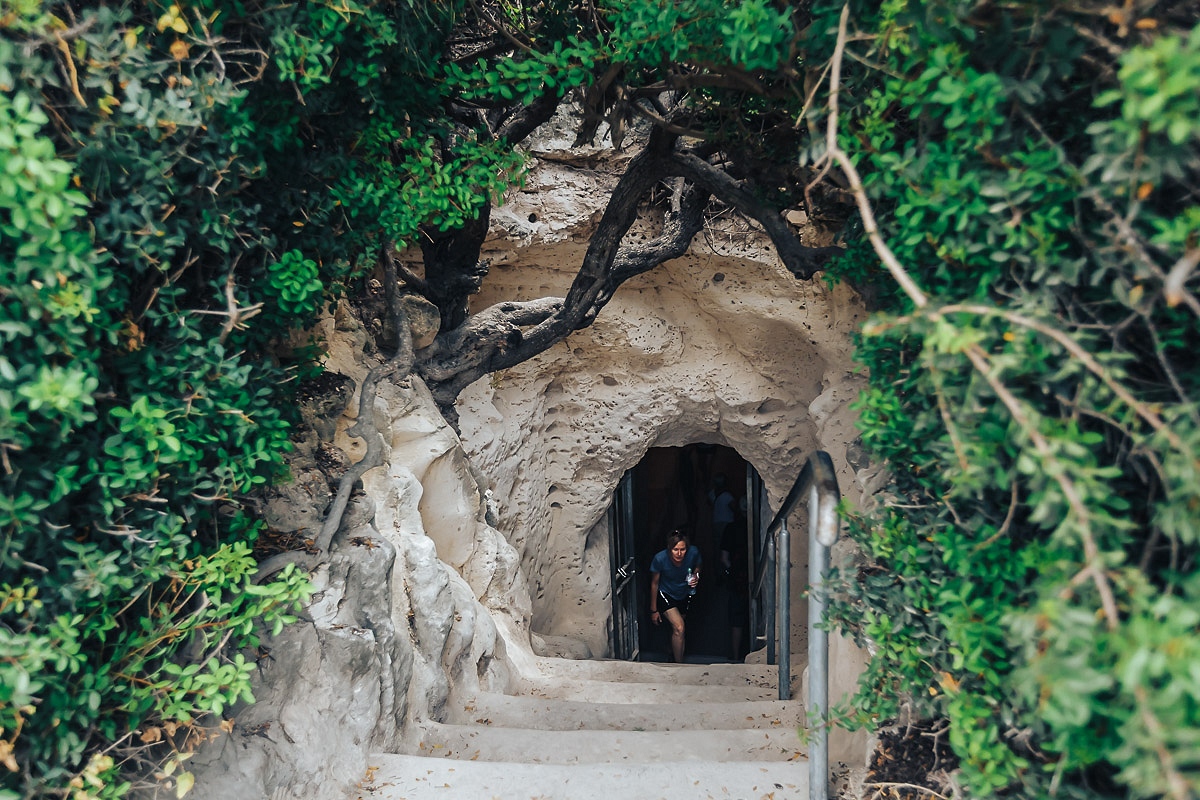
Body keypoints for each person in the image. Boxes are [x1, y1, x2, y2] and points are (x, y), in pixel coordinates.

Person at [649, 530, 701, 663]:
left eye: (682, 549)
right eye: (675, 549)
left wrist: (696, 575)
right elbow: (654, 584)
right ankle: (679, 665)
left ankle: (671, 652)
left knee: (678, 628)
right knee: (679, 627)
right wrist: (654, 610)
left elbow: (698, 565)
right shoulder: (660, 558)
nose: (679, 553)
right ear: (669, 549)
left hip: (683, 593)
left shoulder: (693, 553)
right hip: (665, 593)